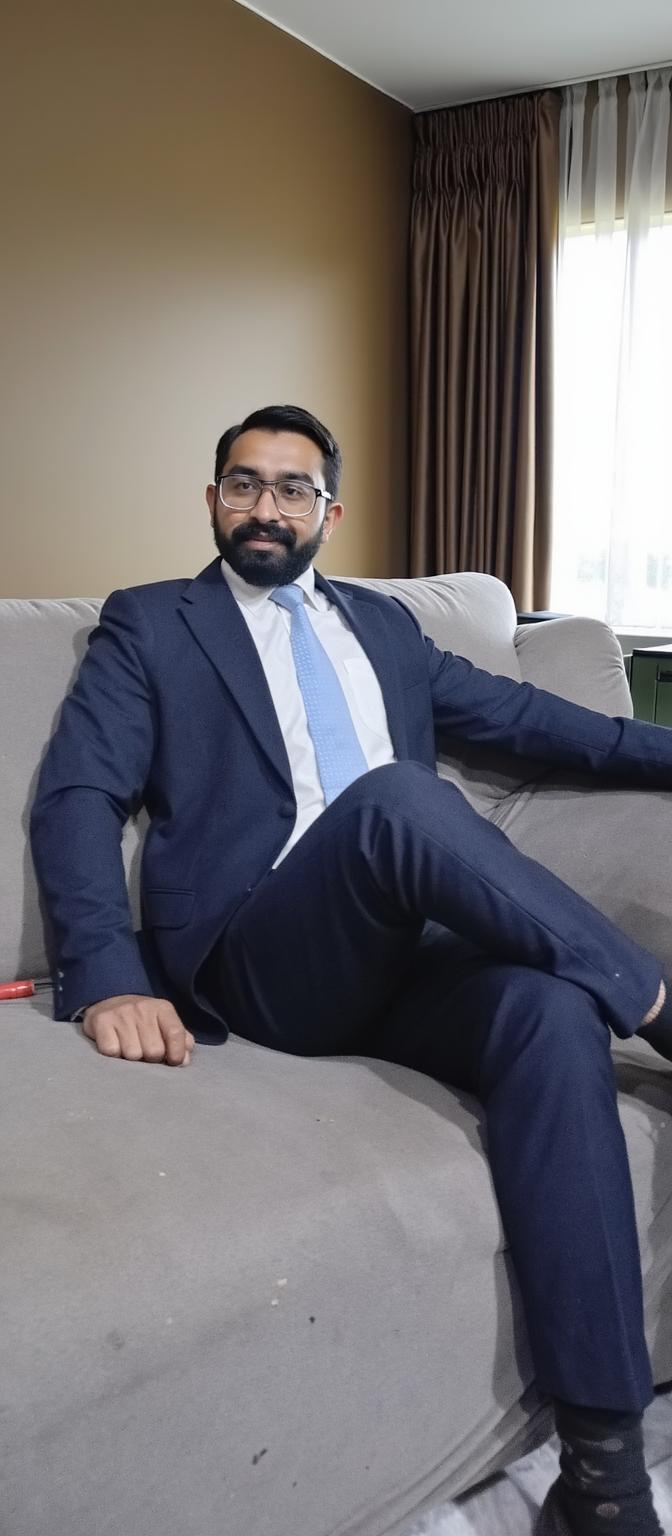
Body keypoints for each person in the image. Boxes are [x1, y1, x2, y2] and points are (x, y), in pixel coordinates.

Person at [31, 403, 672, 1536]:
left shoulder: (382, 630)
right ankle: (664, 1007)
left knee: (554, 1014)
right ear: (213, 499)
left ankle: (604, 1474)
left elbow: (542, 724)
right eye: (243, 484)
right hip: (262, 954)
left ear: (330, 509)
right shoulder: (155, 625)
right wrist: (109, 971)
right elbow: (80, 795)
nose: (265, 507)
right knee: (400, 799)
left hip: (411, 953)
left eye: (291, 488)